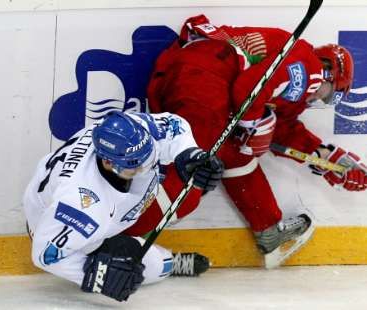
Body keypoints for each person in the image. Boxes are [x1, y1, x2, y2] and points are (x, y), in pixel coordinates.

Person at [125, 14, 366, 269]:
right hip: (204, 77)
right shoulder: (310, 69)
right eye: (331, 95)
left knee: (235, 156)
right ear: (328, 74)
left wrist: (331, 159)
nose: (321, 100)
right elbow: (248, 90)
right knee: (194, 174)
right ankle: (121, 240)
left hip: (193, 74)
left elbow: (284, 128)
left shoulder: (293, 71)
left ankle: (269, 229)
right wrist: (256, 124)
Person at [23, 110, 224, 302]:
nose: (145, 167)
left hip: (107, 206)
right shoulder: (81, 204)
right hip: (58, 225)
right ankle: (171, 263)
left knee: (178, 198)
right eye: (136, 164)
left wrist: (189, 152)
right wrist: (99, 276)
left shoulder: (132, 133)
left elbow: (174, 125)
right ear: (108, 162)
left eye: (148, 157)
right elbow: (44, 255)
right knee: (150, 267)